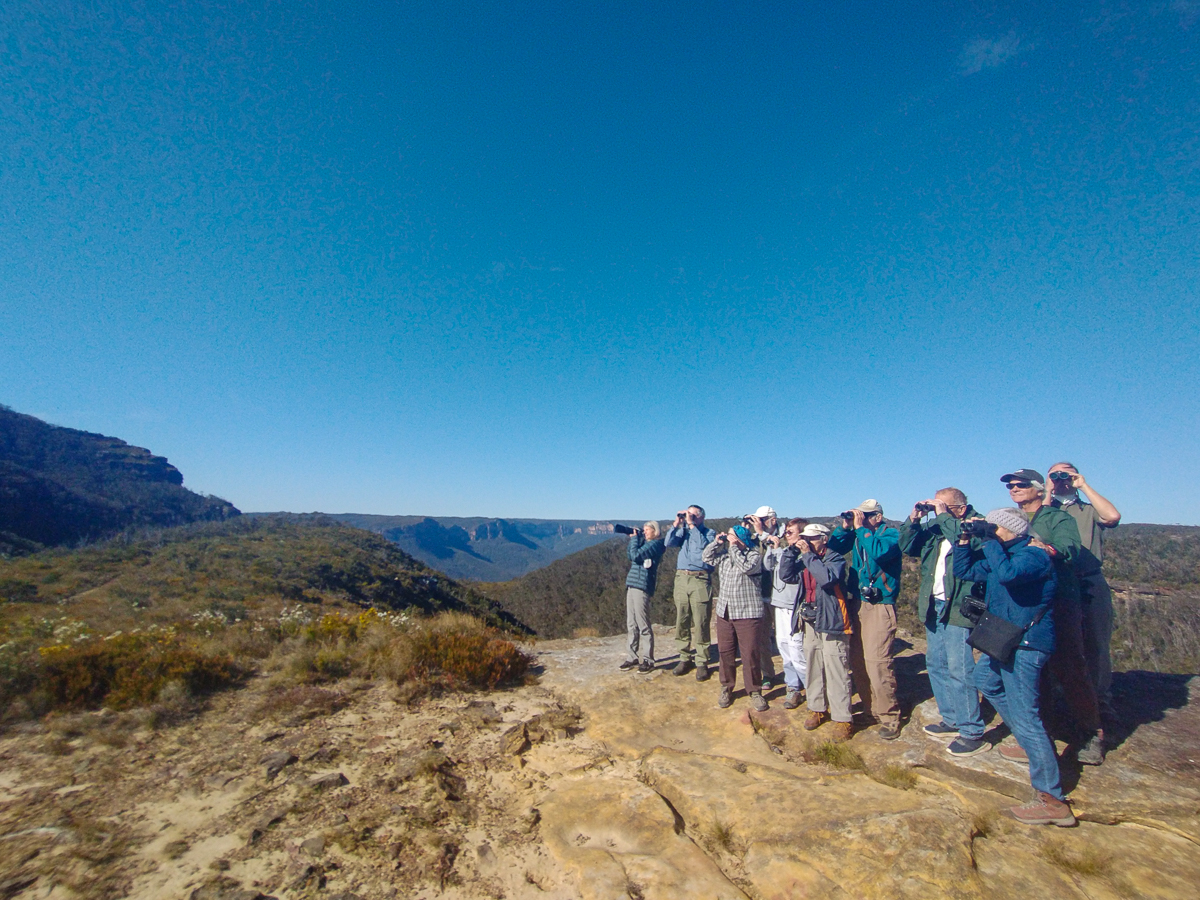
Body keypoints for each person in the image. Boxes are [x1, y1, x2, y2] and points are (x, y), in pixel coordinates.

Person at [953, 508, 1075, 827]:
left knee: (1026, 712)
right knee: (986, 680)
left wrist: (989, 539)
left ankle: (1052, 800)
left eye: (995, 527)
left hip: (1026, 643)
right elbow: (965, 571)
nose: (990, 531)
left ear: (1009, 530)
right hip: (1004, 638)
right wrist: (964, 541)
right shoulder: (1002, 553)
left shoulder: (1033, 556)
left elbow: (1008, 575)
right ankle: (1030, 742)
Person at [1003, 469, 1104, 766]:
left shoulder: (1057, 519)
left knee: (1070, 665)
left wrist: (1045, 548)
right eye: (1011, 485)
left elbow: (1069, 549)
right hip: (1024, 603)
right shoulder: (1012, 518)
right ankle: (1039, 738)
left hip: (1059, 601)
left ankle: (1090, 734)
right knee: (1034, 673)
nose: (1014, 489)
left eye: (1021, 485)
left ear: (1038, 489)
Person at [898, 489, 988, 756]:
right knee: (935, 663)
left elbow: (968, 544)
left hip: (959, 605)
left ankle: (972, 730)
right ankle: (951, 718)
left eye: (942, 505)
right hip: (934, 604)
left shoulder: (976, 525)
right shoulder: (937, 529)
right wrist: (913, 519)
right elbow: (907, 547)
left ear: (959, 508)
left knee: (960, 668)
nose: (935, 509)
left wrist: (942, 516)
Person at [1048, 462, 1121, 710]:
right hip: (1056, 580)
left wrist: (1083, 485)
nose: (1060, 479)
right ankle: (1059, 694)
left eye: (1065, 474)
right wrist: (1048, 489)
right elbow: (1035, 524)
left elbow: (1112, 517)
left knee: (1096, 640)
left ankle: (1099, 698)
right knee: (1055, 641)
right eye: (1055, 475)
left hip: (1088, 579)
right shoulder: (1046, 509)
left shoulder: (1088, 510)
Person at [829, 499, 903, 740]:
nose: (861, 519)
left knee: (877, 661)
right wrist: (845, 527)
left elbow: (880, 552)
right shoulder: (860, 534)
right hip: (857, 601)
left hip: (880, 605)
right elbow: (834, 547)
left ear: (878, 517)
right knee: (858, 660)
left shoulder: (890, 535)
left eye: (866, 515)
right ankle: (871, 710)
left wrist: (861, 529)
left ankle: (889, 716)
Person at [778, 524, 855, 742]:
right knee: (813, 665)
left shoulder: (835, 559)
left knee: (836, 668)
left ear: (824, 539)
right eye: (805, 538)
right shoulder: (806, 558)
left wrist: (807, 555)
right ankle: (817, 708)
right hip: (810, 619)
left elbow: (827, 579)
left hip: (832, 620)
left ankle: (842, 719)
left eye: (812, 539)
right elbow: (786, 575)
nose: (808, 542)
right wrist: (792, 551)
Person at [702, 524, 768, 710]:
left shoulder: (754, 555)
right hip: (725, 611)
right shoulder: (724, 556)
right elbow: (706, 557)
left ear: (739, 538)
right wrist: (716, 543)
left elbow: (745, 567)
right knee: (726, 651)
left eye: (731, 536)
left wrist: (733, 547)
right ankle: (727, 686)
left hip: (747, 612)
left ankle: (754, 690)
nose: (728, 538)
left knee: (750, 654)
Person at [664, 505, 717, 680]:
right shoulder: (684, 532)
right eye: (687, 514)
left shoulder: (709, 533)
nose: (689, 517)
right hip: (681, 578)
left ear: (701, 517)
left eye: (692, 514)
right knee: (682, 619)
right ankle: (684, 657)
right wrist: (676, 524)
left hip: (700, 579)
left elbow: (703, 547)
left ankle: (702, 661)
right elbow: (668, 543)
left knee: (701, 621)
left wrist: (692, 526)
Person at [762, 517, 810, 709]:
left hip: (795, 608)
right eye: (785, 532)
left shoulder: (803, 557)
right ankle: (793, 687)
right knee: (784, 647)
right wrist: (771, 549)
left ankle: (812, 689)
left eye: (789, 532)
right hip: (779, 605)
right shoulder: (783, 552)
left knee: (797, 649)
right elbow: (767, 566)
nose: (785, 536)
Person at [619, 522, 665, 674]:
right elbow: (629, 556)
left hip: (642, 586)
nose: (644, 533)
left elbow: (636, 555)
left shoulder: (656, 544)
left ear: (655, 531)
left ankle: (648, 659)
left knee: (643, 623)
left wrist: (634, 540)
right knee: (631, 623)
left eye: (647, 530)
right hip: (632, 584)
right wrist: (635, 539)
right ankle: (632, 656)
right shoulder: (645, 543)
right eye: (643, 530)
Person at [747, 506, 783, 688]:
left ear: (772, 520)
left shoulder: (785, 535)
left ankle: (795, 676)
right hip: (761, 593)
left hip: (781, 595)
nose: (758, 523)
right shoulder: (756, 539)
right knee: (762, 639)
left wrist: (761, 533)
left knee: (786, 639)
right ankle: (767, 674)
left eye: (761, 519)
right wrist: (747, 531)